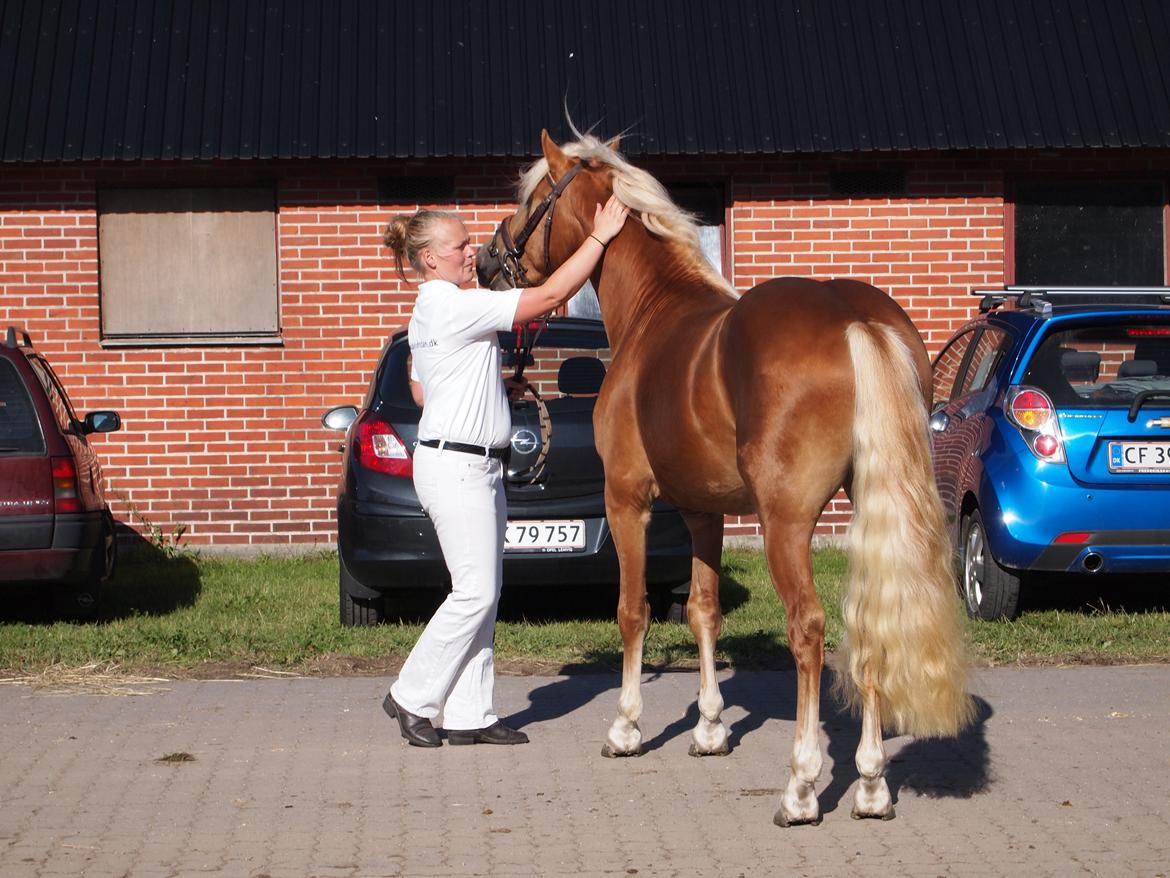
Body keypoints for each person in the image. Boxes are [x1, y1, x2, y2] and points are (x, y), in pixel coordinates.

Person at [381, 194, 629, 747]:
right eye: (461, 246)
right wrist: (600, 236)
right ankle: (411, 695)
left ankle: (471, 713)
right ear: (430, 260)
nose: (473, 252)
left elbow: (422, 391)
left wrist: (491, 385)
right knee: (474, 591)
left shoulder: (431, 311)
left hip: (468, 462)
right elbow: (549, 295)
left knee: (483, 592)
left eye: (469, 243)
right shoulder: (450, 303)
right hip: (460, 466)